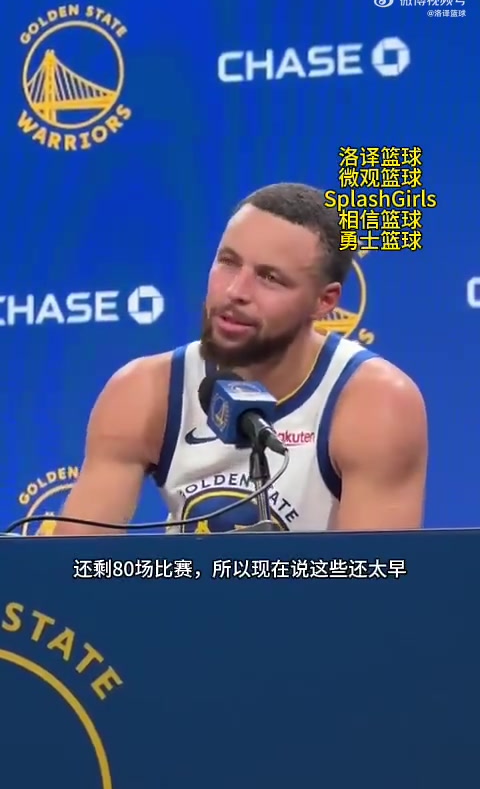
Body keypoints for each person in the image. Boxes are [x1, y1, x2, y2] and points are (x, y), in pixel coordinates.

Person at [52, 182, 428, 535]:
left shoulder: (374, 403)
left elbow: (374, 577)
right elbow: (68, 566)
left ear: (324, 301)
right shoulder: (146, 391)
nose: (235, 291)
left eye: (270, 278)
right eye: (228, 262)